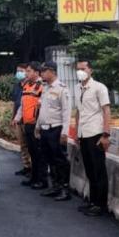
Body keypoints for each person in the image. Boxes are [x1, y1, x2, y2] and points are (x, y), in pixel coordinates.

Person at [73, 59, 111, 217]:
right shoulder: (77, 88)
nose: (80, 71)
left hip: (95, 133)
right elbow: (78, 112)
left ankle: (100, 205)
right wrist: (76, 132)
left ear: (90, 70)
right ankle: (93, 201)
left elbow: (106, 111)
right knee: (89, 169)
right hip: (83, 133)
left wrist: (105, 134)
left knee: (98, 170)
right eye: (78, 69)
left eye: (83, 68)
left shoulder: (99, 88)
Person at [34, 61, 72, 201]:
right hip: (44, 129)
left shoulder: (62, 89)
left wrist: (65, 132)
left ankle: (64, 188)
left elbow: (66, 112)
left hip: (56, 129)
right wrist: (38, 126)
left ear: (52, 71)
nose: (42, 74)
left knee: (60, 159)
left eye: (44, 71)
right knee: (49, 158)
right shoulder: (45, 88)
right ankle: (55, 186)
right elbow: (42, 110)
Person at [15, 62, 46, 190]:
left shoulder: (42, 86)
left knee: (39, 153)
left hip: (36, 124)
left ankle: (41, 180)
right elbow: (22, 104)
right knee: (32, 152)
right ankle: (33, 177)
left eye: (28, 71)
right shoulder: (27, 85)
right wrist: (17, 118)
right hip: (26, 123)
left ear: (36, 72)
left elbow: (43, 106)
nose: (26, 73)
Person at [10, 64, 32, 176]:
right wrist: (13, 117)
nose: (19, 73)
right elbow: (15, 103)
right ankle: (26, 166)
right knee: (22, 145)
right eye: (17, 71)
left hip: (28, 119)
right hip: (19, 119)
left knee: (30, 145)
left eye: (22, 71)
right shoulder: (17, 86)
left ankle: (33, 167)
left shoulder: (31, 85)